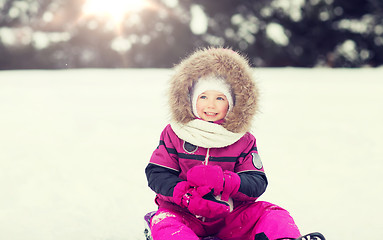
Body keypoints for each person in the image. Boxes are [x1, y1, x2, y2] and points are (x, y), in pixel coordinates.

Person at [145, 48, 323, 240]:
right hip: (185, 212)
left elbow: (256, 182)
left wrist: (225, 181)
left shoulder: (242, 139)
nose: (211, 105)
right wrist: (185, 194)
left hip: (229, 217)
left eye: (219, 98)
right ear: (190, 99)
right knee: (165, 221)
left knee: (271, 212)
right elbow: (157, 174)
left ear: (231, 103)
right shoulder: (175, 133)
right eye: (203, 97)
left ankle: (283, 238)